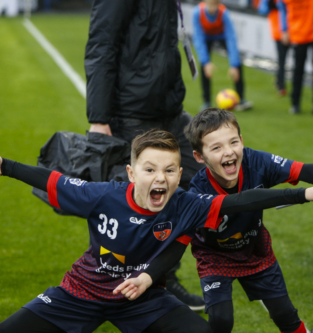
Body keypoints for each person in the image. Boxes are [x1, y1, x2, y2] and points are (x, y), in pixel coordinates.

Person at [0, 130, 313, 333]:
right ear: (131, 174)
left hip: (141, 300)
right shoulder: (103, 197)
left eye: (170, 170)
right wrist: (6, 167)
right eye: (150, 169)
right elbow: (54, 180)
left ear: (180, 174)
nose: (160, 178)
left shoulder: (187, 203)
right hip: (82, 291)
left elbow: (243, 202)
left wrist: (303, 194)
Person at [117, 109, 313, 333]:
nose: (228, 152)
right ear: (199, 157)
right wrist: (148, 276)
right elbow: (179, 244)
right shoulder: (197, 193)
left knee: (285, 314)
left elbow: (305, 170)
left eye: (233, 142)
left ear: (242, 142)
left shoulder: (256, 161)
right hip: (214, 258)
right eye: (216, 148)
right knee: (221, 321)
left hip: (256, 251)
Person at [84, 0, 204, 309]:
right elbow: (102, 44)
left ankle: (163, 277)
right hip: (132, 113)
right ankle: (108, 283)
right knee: (128, 205)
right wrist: (99, 119)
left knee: (194, 180)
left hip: (171, 110)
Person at [192, 0, 253, 111]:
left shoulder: (224, 12)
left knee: (238, 63)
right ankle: (206, 102)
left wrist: (234, 64)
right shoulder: (197, 12)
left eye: (216, 4)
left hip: (222, 36)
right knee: (204, 67)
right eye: (211, 4)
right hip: (206, 38)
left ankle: (241, 99)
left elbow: (231, 38)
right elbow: (198, 38)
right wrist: (206, 62)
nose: (213, 7)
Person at [277, 0, 313, 115]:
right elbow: (282, 9)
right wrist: (284, 30)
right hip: (298, 33)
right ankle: (295, 104)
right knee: (298, 69)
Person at [258, 0, 290, 96]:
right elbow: (262, 9)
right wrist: (270, 5)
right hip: (278, 32)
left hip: (293, 30)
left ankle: (280, 81)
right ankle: (281, 85)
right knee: (282, 59)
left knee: (290, 59)